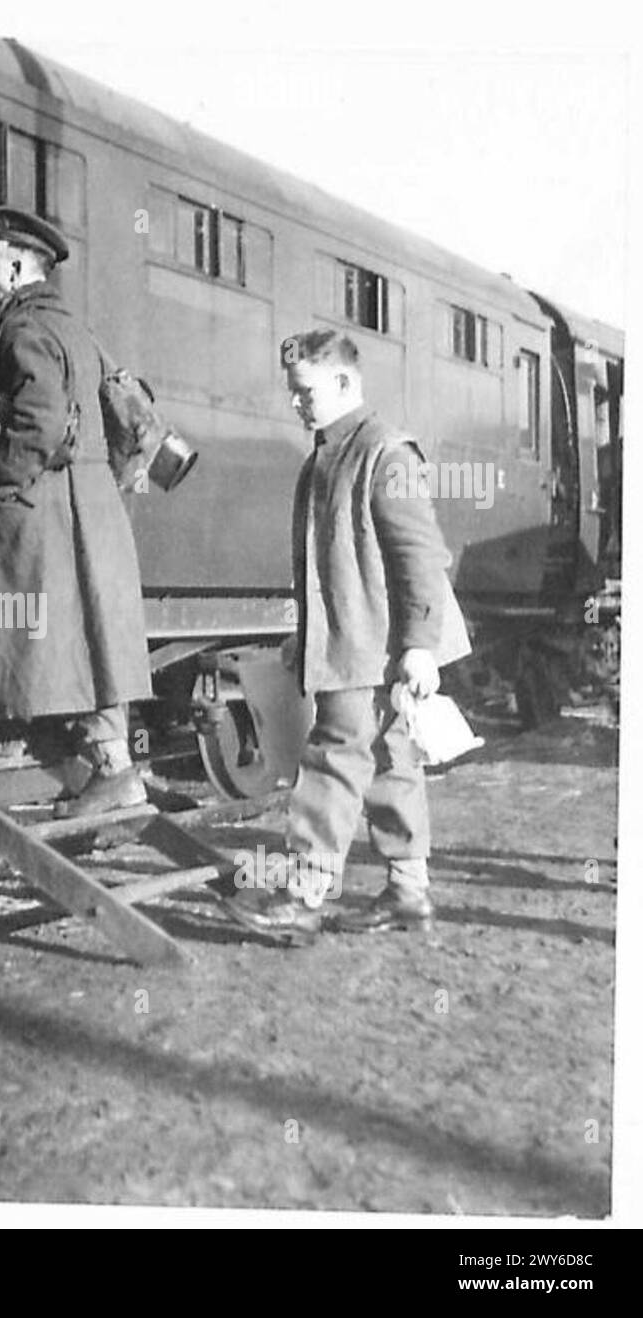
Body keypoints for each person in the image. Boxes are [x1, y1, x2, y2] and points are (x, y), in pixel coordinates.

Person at [222, 330, 471, 940]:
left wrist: (419, 645)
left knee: (334, 757)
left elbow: (421, 557)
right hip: (355, 641)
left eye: (305, 392)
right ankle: (409, 893)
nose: (296, 404)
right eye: (292, 393)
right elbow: (326, 566)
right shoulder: (327, 454)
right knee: (389, 761)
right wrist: (304, 639)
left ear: (342, 383)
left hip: (374, 645)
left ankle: (304, 894)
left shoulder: (386, 453)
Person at [0, 207, 152, 817]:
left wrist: (3, 476)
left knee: (54, 639)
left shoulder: (21, 329)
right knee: (89, 641)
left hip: (48, 513)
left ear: (13, 266)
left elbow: (40, 414)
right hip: (86, 507)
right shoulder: (72, 326)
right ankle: (108, 770)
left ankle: (107, 771)